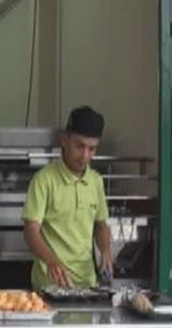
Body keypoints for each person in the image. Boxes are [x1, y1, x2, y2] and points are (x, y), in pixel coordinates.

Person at [23, 106, 112, 289]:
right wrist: (51, 261)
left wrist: (105, 250)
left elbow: (100, 225)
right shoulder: (44, 180)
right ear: (64, 141)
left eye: (92, 149)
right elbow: (31, 232)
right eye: (79, 146)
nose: (85, 155)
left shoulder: (96, 182)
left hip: (87, 285)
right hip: (50, 285)